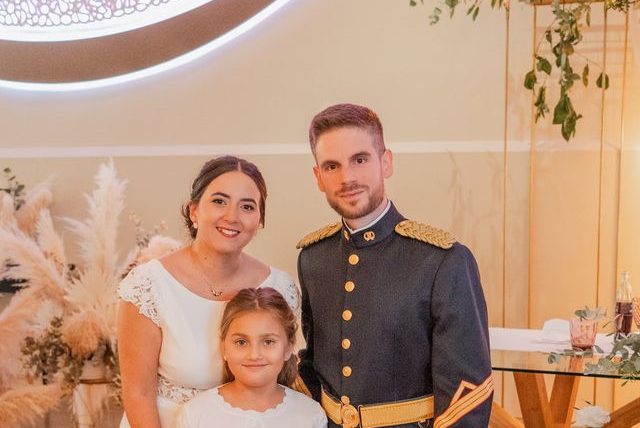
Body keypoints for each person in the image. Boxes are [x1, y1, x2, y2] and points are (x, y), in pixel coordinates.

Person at [295, 104, 493, 428]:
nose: (347, 178)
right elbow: (314, 367)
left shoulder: (443, 260)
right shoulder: (314, 258)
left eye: (360, 160)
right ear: (318, 177)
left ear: (386, 162)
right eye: (332, 166)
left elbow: (467, 393)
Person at [117, 156, 300, 428]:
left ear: (259, 219)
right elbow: (137, 395)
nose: (232, 216)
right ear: (194, 211)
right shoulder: (149, 285)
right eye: (219, 201)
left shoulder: (280, 287)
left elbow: (283, 385)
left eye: (247, 206)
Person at [176, 287, 327, 427]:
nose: (254, 355)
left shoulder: (310, 415)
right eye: (241, 342)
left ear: (288, 348)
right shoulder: (197, 413)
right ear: (224, 348)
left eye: (268, 342)